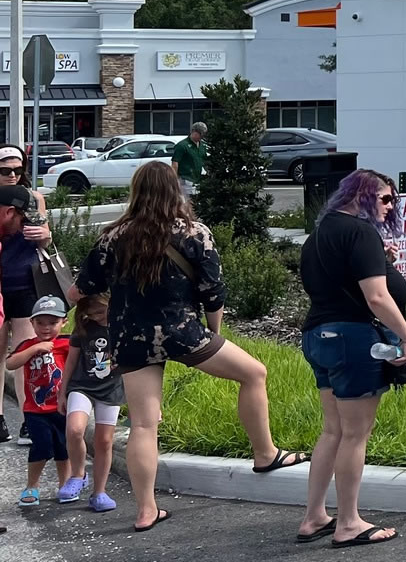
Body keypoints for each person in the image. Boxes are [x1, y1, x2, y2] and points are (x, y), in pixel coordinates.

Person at [70, 163, 305, 533]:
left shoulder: (111, 237)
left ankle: (146, 511)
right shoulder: (195, 233)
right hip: (183, 332)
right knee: (254, 374)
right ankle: (265, 454)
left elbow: (79, 290)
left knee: (144, 424)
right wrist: (214, 333)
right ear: (174, 191)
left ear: (136, 191)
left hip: (131, 339)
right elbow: (213, 292)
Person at [297, 169, 406, 548]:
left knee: (332, 430)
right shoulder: (360, 232)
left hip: (318, 337)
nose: (391, 206)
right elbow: (377, 297)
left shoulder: (317, 236)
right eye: (385, 198)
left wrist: (379, 260)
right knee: (354, 434)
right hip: (352, 339)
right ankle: (348, 522)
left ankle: (314, 516)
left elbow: (333, 282)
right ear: (361, 195)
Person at [0, 146, 50, 446]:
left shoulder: (33, 198)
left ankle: (28, 419)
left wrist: (45, 235)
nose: (13, 175)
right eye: (5, 170)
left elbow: (46, 237)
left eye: (18, 170)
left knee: (24, 350)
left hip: (24, 280)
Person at [10, 296, 74, 507]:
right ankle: (32, 485)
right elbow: (10, 363)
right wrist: (34, 350)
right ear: (32, 323)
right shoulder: (27, 345)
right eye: (40, 322)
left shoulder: (66, 343)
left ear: (64, 322)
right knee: (41, 446)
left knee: (63, 447)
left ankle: (65, 484)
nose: (46, 328)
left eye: (53, 322)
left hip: (61, 406)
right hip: (35, 409)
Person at [59, 292, 121, 511]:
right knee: (74, 429)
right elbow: (71, 361)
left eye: (100, 312)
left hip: (111, 389)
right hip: (82, 385)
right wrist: (62, 392)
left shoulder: (123, 325)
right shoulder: (84, 328)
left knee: (104, 441)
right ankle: (78, 474)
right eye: (91, 314)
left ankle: (99, 492)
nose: (96, 317)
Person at [169, 122, 208, 198]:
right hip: (185, 179)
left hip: (197, 179)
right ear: (193, 131)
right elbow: (175, 163)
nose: (201, 137)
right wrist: (174, 179)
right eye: (200, 134)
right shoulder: (182, 145)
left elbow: (205, 161)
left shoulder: (202, 146)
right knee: (187, 201)